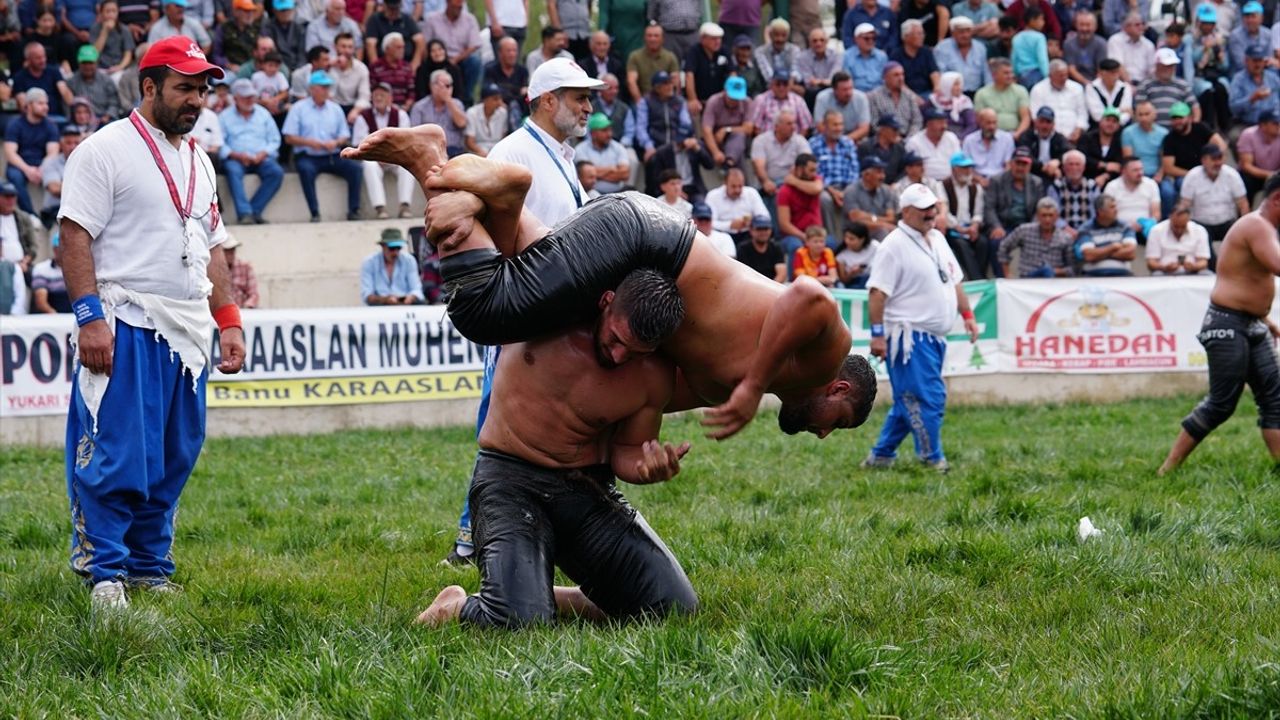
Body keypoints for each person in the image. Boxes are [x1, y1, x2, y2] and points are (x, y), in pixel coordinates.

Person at [344, 128, 868, 443]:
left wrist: (640, 454)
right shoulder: (823, 360)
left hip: (642, 254)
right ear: (838, 389)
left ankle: (501, 201)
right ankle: (431, 161)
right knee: (485, 312)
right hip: (650, 242)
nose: (823, 433)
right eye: (838, 422)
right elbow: (810, 295)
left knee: (527, 290)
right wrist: (753, 386)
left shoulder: (726, 386)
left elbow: (639, 393)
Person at [57, 36, 246, 610]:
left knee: (173, 454)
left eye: (202, 90)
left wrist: (229, 319)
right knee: (118, 454)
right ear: (148, 86)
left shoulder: (201, 161)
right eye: (184, 88)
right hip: (125, 320)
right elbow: (74, 235)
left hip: (187, 331)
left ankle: (148, 567)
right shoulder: (103, 149)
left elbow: (213, 246)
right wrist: (90, 319)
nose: (196, 101)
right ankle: (105, 573)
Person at [415, 269, 698, 629]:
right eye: (615, 339)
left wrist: (646, 467)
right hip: (510, 482)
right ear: (606, 302)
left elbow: (625, 451)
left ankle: (561, 598)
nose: (617, 355)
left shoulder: (653, 375)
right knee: (521, 622)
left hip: (586, 490)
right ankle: (455, 606)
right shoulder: (544, 309)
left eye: (634, 351)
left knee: (674, 608)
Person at [433, 57, 604, 565]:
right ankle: (471, 537)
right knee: (500, 428)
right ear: (548, 101)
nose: (588, 107)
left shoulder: (560, 156)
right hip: (520, 315)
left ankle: (538, 533)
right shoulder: (512, 153)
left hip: (552, 316)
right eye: (579, 98)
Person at [1159, 173, 1280, 474]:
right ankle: (1167, 469)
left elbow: (1247, 279)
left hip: (1252, 323)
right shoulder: (1256, 225)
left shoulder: (1263, 228)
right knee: (1222, 403)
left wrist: (1266, 319)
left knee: (1275, 398)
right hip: (1227, 323)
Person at [863, 183, 979, 473]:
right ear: (906, 212)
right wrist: (878, 336)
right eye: (924, 209)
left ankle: (881, 455)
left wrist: (967, 314)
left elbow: (954, 280)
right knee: (928, 397)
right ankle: (932, 457)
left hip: (934, 337)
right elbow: (877, 293)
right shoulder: (893, 246)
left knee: (910, 399)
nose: (931, 214)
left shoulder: (938, 238)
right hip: (908, 337)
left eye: (933, 208)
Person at [281, 70, 364, 222]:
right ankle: (314, 212)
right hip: (308, 155)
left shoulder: (335, 108)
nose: (326, 91)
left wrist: (336, 142)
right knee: (305, 170)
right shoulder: (298, 108)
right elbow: (289, 137)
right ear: (312, 89)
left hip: (332, 154)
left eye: (327, 87)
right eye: (323, 87)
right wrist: (311, 143)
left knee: (355, 169)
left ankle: (354, 210)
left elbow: (344, 135)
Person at [219, 78, 285, 225]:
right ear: (235, 98)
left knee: (276, 172)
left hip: (261, 158)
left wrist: (264, 153)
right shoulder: (224, 116)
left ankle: (253, 211)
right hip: (236, 159)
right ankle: (244, 213)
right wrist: (236, 155)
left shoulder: (263, 114)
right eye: (245, 97)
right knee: (232, 170)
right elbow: (220, 143)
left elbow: (275, 140)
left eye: (252, 96)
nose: (250, 100)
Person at [355, 82, 415, 219]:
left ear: (390, 98)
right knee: (369, 165)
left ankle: (405, 205)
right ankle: (380, 208)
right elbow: (360, 143)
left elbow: (405, 140)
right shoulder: (363, 116)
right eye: (376, 95)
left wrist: (390, 156)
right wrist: (377, 156)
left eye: (382, 95)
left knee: (408, 165)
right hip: (374, 158)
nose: (378, 98)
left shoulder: (400, 115)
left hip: (395, 157)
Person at [1179, 143, 1250, 247]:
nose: (1217, 163)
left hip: (1227, 222)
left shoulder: (1232, 175)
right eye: (1213, 159)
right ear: (1203, 160)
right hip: (1201, 224)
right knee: (1206, 252)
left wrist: (1245, 227)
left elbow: (1243, 204)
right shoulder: (1192, 176)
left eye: (1219, 158)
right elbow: (1184, 205)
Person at [4, 86, 59, 215]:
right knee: (15, 176)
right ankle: (30, 215)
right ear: (28, 105)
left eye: (46, 103)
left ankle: (53, 214)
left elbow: (53, 152)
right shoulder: (15, 124)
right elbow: (10, 153)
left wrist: (41, 169)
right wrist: (28, 170)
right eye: (40, 103)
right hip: (20, 164)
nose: (45, 107)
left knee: (59, 173)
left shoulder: (51, 126)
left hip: (42, 164)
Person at [810, 110, 859, 238]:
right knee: (824, 199)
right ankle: (832, 239)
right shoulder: (814, 144)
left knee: (853, 196)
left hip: (847, 187)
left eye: (841, 124)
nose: (839, 128)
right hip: (825, 187)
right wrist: (832, 191)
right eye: (835, 125)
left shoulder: (848, 143)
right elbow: (814, 173)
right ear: (825, 126)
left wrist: (846, 192)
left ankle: (853, 238)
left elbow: (854, 170)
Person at [422, 0, 482, 103]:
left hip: (461, 58)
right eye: (455, 6)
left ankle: (467, 98)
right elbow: (426, 44)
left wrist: (455, 59)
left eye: (460, 7)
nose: (458, 9)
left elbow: (474, 45)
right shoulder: (432, 19)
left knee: (475, 61)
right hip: (438, 57)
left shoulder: (469, 19)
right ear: (448, 3)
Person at [997, 197, 1074, 277]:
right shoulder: (1024, 230)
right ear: (1037, 216)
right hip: (1028, 278)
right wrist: (1007, 274)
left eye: (1051, 215)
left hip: (1053, 279)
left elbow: (1072, 268)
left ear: (1057, 217)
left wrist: (1055, 271)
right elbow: (1003, 247)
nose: (1047, 219)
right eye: (1044, 215)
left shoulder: (1065, 238)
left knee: (1047, 271)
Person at [942, 151, 986, 280]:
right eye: (963, 168)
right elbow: (944, 212)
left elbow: (978, 212)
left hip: (970, 228)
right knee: (961, 244)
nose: (967, 171)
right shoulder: (943, 185)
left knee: (983, 243)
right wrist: (959, 228)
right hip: (952, 230)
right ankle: (977, 279)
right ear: (954, 169)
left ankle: (978, 278)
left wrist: (974, 226)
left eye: (969, 167)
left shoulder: (975, 188)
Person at [775, 154, 824, 261]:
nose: (814, 173)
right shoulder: (785, 191)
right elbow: (784, 224)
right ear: (800, 169)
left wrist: (794, 181)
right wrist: (804, 236)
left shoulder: (815, 180)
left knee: (831, 243)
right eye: (811, 170)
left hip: (816, 234)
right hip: (794, 235)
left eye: (815, 170)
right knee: (796, 247)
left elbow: (817, 189)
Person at [1075, 194, 1137, 276]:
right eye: (1112, 207)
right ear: (1100, 212)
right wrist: (1113, 247)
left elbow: (1131, 254)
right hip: (1093, 277)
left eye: (1115, 206)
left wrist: (1100, 253)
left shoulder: (1125, 226)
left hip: (1123, 276)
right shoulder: (1086, 228)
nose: (1116, 210)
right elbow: (1089, 256)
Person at [409, 69, 467, 156]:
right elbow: (414, 134)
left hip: (454, 150)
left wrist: (448, 100)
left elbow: (462, 123)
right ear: (431, 85)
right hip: (428, 151)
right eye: (440, 85)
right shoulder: (419, 107)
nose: (444, 89)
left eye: (447, 86)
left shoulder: (457, 104)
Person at [704, 166, 769, 244]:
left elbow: (764, 216)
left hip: (748, 235)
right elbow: (710, 223)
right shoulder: (713, 196)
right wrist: (730, 225)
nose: (737, 190)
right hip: (723, 235)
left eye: (740, 186)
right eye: (733, 186)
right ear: (725, 183)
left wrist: (752, 221)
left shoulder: (751, 193)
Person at [701, 76, 754, 170]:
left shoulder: (747, 102)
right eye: (732, 97)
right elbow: (707, 130)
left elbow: (748, 128)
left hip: (738, 139)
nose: (735, 100)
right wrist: (715, 152)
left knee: (739, 136)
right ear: (724, 91)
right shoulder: (713, 102)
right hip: (716, 138)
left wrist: (727, 130)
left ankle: (729, 163)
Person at [361, 228, 425, 304]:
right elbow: (367, 295)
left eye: (398, 248)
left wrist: (411, 297)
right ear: (383, 246)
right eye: (392, 248)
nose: (395, 252)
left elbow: (416, 289)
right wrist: (385, 300)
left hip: (406, 305)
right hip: (379, 306)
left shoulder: (409, 260)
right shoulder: (369, 262)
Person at [1145, 202, 1211, 276]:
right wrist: (1164, 267)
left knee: (1207, 274)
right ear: (1170, 218)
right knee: (1157, 274)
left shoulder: (1200, 230)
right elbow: (1151, 262)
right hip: (1164, 273)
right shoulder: (1156, 230)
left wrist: (1194, 266)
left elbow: (1203, 262)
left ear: (1188, 220)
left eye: (1183, 227)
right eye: (1176, 226)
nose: (1179, 230)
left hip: (1193, 273)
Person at [845, 155, 900, 239]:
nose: (883, 176)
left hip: (881, 231)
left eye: (883, 172)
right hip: (857, 236)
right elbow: (856, 219)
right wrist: (882, 224)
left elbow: (891, 218)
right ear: (866, 175)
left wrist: (869, 218)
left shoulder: (886, 190)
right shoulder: (851, 191)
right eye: (879, 172)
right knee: (882, 231)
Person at [1104, 156, 1163, 236]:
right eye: (1135, 170)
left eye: (1141, 169)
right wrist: (1127, 226)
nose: (1140, 173)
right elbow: (1107, 213)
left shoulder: (1151, 184)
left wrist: (1149, 222)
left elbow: (1156, 213)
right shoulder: (1112, 187)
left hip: (1144, 230)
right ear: (1124, 171)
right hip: (1119, 231)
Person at [574, 112, 629, 195]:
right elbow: (585, 176)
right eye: (604, 130)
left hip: (618, 194)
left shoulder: (618, 147)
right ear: (593, 134)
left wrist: (595, 174)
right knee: (592, 194)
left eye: (610, 130)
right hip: (592, 195)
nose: (609, 134)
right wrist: (611, 169)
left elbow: (625, 174)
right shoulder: (580, 149)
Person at [39, 126, 83, 228]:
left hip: (80, 212)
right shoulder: (51, 162)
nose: (73, 147)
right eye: (68, 143)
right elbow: (54, 188)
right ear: (61, 145)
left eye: (76, 143)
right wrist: (84, 186)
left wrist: (64, 186)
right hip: (55, 212)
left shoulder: (87, 163)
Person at [973, 58, 1030, 135]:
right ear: (994, 75)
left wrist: (1017, 135)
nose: (1010, 76)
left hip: (1015, 133)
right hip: (990, 134)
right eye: (1006, 73)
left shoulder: (1021, 91)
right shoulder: (982, 93)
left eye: (1011, 72)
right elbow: (979, 120)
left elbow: (1025, 118)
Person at [934, 16, 990, 94]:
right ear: (953, 33)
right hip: (951, 93)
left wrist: (988, 92)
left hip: (977, 92)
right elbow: (941, 73)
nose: (965, 35)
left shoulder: (980, 47)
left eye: (968, 31)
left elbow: (986, 73)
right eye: (961, 32)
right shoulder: (942, 48)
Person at [867, 62, 923, 138]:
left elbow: (917, 121)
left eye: (902, 74)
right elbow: (874, 124)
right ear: (885, 77)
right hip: (884, 138)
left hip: (908, 137)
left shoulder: (909, 95)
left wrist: (909, 138)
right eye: (896, 75)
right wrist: (893, 137)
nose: (901, 78)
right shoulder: (874, 96)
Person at [1048, 150, 1099, 232]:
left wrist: (1083, 230)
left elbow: (1096, 214)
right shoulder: (1056, 187)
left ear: (1084, 167)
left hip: (1088, 231)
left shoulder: (1092, 186)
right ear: (1064, 167)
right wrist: (1066, 229)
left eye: (1077, 164)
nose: (1074, 168)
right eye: (1070, 164)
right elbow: (1053, 213)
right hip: (1062, 231)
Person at [813, 72, 871, 144]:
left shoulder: (861, 98)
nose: (849, 93)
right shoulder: (822, 98)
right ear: (834, 90)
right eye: (845, 90)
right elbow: (820, 126)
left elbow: (864, 128)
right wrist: (836, 141)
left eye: (850, 88)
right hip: (827, 138)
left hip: (853, 138)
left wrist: (844, 141)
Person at [626, 24, 679, 102]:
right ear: (644, 38)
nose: (652, 39)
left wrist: (672, 102)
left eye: (656, 36)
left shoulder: (670, 57)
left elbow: (675, 82)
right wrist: (640, 103)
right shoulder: (634, 56)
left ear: (662, 39)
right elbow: (631, 82)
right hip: (642, 99)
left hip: (664, 100)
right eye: (649, 36)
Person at [961, 107, 1015, 185]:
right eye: (988, 123)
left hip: (1000, 181)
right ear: (980, 122)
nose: (992, 127)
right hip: (975, 181)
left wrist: (998, 181)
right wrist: (979, 180)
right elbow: (966, 167)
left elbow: (1008, 166)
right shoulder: (969, 140)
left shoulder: (1007, 139)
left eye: (994, 123)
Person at [0, 180, 39, 278]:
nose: (10, 200)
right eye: (7, 196)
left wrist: (25, 262)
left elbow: (33, 246)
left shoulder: (24, 218)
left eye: (13, 196)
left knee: (38, 278)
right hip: (2, 266)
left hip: (22, 264)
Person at [1238, 111, 1280, 199]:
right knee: (1245, 180)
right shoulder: (1248, 135)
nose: (1278, 126)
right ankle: (1245, 206)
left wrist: (1275, 175)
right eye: (1275, 123)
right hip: (1254, 175)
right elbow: (1246, 166)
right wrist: (1270, 174)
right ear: (1263, 126)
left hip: (1277, 175)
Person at [736, 213, 788, 282]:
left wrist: (771, 286)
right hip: (751, 285)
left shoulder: (776, 247)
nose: (763, 232)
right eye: (759, 229)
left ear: (771, 230)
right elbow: (744, 274)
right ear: (751, 230)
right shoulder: (743, 249)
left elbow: (781, 274)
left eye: (766, 228)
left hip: (772, 285)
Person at [1107, 12, 1155, 85]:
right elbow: (1117, 66)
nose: (1141, 27)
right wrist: (1130, 85)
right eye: (1137, 25)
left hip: (1144, 84)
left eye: (1142, 24)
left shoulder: (1149, 45)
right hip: (1121, 83)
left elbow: (1152, 70)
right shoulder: (1115, 40)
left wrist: (1145, 86)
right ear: (1126, 27)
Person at [464, 83, 509, 157]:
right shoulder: (472, 113)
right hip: (478, 151)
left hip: (497, 149)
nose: (500, 102)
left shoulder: (503, 112)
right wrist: (485, 154)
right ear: (485, 100)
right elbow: (470, 142)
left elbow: (503, 137)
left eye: (500, 98)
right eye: (495, 99)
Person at [844, 22, 890, 94]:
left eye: (873, 38)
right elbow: (847, 81)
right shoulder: (847, 56)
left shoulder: (882, 56)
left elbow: (886, 80)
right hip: (856, 95)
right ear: (856, 39)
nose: (870, 41)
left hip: (879, 95)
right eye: (866, 38)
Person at [31, 229, 70, 313]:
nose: (64, 251)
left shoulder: (79, 269)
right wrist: (57, 317)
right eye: (60, 248)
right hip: (53, 317)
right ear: (54, 250)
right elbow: (41, 302)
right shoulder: (41, 269)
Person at [1086, 59, 1133, 127]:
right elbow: (1097, 115)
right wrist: (1120, 110)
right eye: (1112, 73)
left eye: (1117, 72)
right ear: (1102, 73)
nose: (1116, 76)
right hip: (1098, 128)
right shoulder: (1092, 87)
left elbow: (1127, 115)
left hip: (1121, 127)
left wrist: (1113, 123)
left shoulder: (1125, 87)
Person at [836, 221, 877, 288]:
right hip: (855, 283)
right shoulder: (842, 254)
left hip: (874, 280)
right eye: (846, 237)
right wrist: (851, 273)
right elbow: (843, 280)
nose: (847, 241)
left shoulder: (874, 246)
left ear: (862, 239)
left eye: (851, 239)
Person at [221, 233, 258, 308]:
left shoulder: (246, 267)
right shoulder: (214, 271)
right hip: (222, 311)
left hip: (243, 310)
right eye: (227, 250)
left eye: (233, 249)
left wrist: (247, 306)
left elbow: (253, 294)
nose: (231, 253)